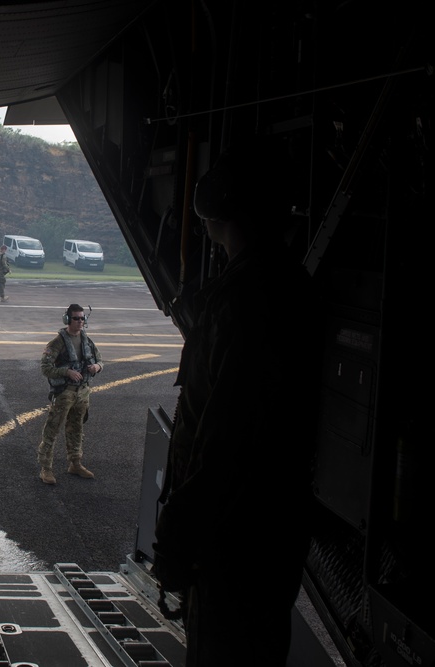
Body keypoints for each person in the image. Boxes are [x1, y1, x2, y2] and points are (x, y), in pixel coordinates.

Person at [151, 144, 322, 665]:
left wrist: (180, 532)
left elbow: (224, 434)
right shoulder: (287, 285)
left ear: (220, 206)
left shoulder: (245, 298)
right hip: (267, 531)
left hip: (233, 540)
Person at [37, 303, 103, 484]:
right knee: (52, 430)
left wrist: (96, 367)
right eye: (76, 318)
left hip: (82, 393)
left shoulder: (87, 341)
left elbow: (100, 361)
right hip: (65, 393)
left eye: (82, 318)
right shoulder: (57, 343)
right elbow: (45, 368)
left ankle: (75, 463)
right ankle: (46, 468)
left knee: (77, 429)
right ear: (67, 319)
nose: (80, 322)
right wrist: (66, 372)